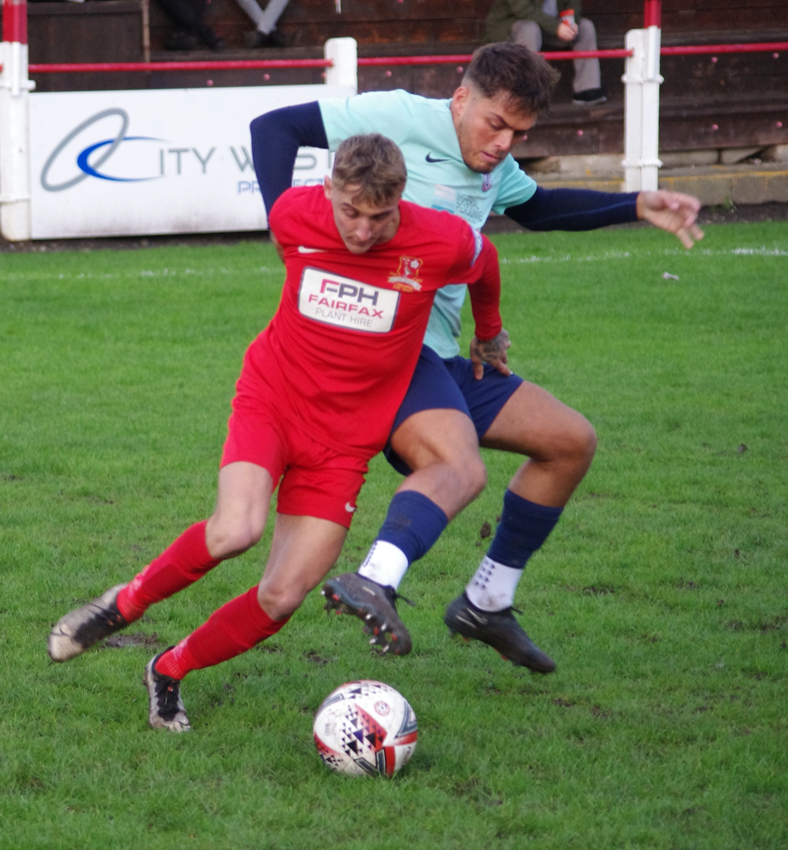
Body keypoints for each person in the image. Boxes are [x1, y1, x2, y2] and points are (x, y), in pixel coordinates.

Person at [249, 42, 703, 674]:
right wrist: (285, 226)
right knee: (456, 465)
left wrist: (634, 204)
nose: (504, 143)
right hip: (386, 356)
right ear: (462, 99)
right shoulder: (400, 117)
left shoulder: (495, 165)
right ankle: (376, 578)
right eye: (496, 124)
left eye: (519, 133)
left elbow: (539, 210)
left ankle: (487, 602)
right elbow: (274, 128)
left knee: (570, 442)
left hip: (441, 359)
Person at [47, 134, 507, 732]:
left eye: (380, 217)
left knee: (283, 595)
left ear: (401, 199)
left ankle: (168, 668)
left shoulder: (440, 239)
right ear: (328, 189)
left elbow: (485, 264)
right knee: (236, 530)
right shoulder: (294, 214)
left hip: (346, 442)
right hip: (274, 402)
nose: (363, 230)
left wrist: (488, 332)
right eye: (350, 211)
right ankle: (122, 604)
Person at [485, 0, 605, 105]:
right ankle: (526, 91)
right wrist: (556, 27)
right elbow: (523, 10)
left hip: (551, 26)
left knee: (586, 27)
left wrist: (573, 22)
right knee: (530, 29)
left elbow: (573, 2)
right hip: (512, 26)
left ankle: (586, 90)